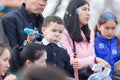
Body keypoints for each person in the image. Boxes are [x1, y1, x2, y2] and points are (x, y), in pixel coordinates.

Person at [60, 0, 110, 79]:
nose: (88, 13)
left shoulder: (90, 32)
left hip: (88, 74)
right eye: (84, 9)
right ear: (74, 11)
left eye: (88, 10)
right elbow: (71, 61)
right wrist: (94, 59)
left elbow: (92, 56)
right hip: (70, 76)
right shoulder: (63, 32)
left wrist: (98, 66)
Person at [94, 11, 120, 77]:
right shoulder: (92, 42)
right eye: (107, 28)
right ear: (98, 26)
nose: (110, 32)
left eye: (113, 28)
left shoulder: (118, 42)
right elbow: (88, 63)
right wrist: (98, 67)